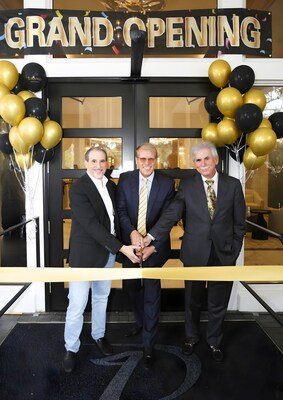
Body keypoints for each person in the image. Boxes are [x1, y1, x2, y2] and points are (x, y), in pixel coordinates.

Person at [144, 141, 246, 362]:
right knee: (192, 300)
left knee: (218, 301)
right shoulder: (188, 186)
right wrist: (151, 236)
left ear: (215, 160)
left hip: (223, 254)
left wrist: (234, 250)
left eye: (206, 159)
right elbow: (172, 214)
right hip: (195, 253)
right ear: (194, 164)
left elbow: (240, 223)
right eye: (198, 160)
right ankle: (191, 337)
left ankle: (214, 341)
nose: (203, 164)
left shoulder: (233, 185)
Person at [63, 146, 140, 373]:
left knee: (101, 298)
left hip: (106, 254)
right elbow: (91, 226)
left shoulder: (110, 185)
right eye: (94, 161)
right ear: (86, 163)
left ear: (107, 163)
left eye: (102, 161)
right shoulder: (78, 190)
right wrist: (122, 248)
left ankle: (99, 336)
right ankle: (71, 348)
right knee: (77, 303)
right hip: (84, 256)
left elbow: (114, 220)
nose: (98, 166)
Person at [117, 142, 175, 369]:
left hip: (155, 248)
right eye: (143, 159)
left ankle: (148, 345)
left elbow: (168, 219)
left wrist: (152, 244)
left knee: (152, 294)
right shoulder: (125, 179)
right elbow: (121, 211)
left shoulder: (167, 183)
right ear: (136, 159)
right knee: (131, 288)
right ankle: (141, 322)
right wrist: (132, 234)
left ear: (156, 160)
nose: (147, 163)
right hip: (130, 247)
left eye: (151, 159)